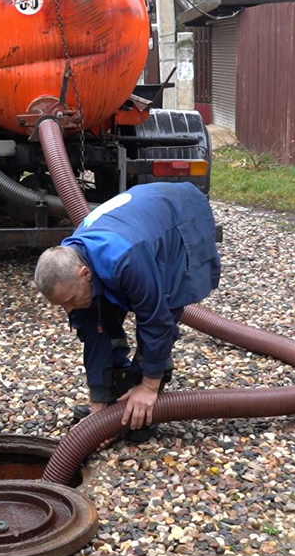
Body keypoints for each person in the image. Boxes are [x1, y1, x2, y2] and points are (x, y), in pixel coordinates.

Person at [35, 182, 221, 436]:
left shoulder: (126, 260)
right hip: (137, 224)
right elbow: (94, 331)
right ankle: (117, 394)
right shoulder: (72, 259)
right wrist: (98, 405)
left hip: (180, 214)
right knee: (99, 316)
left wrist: (148, 386)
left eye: (70, 299)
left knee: (165, 301)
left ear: (85, 273)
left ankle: (146, 399)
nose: (68, 308)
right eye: (62, 304)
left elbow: (156, 321)